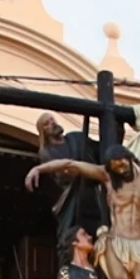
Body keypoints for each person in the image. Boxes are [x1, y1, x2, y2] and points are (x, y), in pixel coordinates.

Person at [26, 145, 140, 279]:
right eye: (116, 168)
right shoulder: (108, 177)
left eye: (122, 165)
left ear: (129, 158)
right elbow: (71, 164)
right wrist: (38, 169)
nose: (121, 171)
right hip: (117, 241)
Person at [34, 113, 102, 266]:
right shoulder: (47, 152)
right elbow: (65, 174)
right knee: (71, 238)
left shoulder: (77, 138)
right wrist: (83, 169)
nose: (52, 123)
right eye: (46, 123)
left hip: (94, 193)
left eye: (52, 120)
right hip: (74, 197)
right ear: (43, 132)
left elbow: (101, 151)